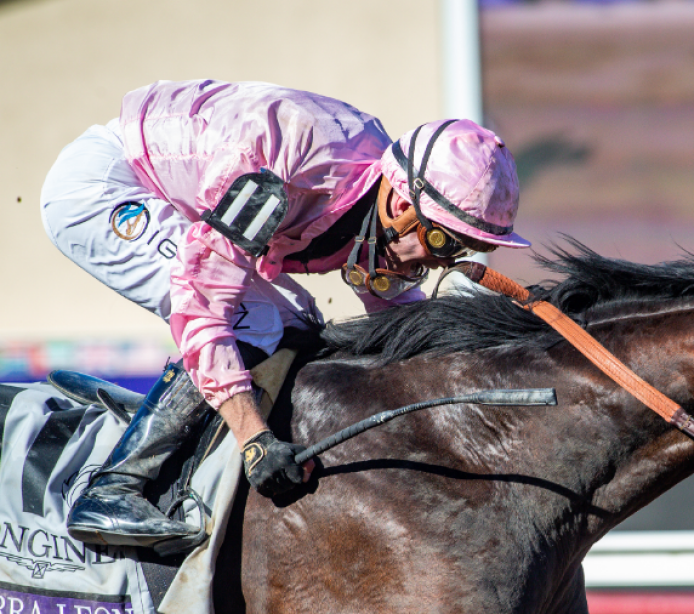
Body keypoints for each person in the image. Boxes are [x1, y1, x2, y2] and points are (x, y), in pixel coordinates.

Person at [40, 79, 530, 548]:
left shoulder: (383, 202)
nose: (441, 262)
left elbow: (396, 320)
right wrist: (254, 438)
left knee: (299, 322)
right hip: (105, 184)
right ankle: (114, 488)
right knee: (255, 320)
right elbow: (203, 306)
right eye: (443, 240)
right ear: (401, 202)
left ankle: (181, 438)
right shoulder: (279, 175)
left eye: (462, 248)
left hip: (182, 190)